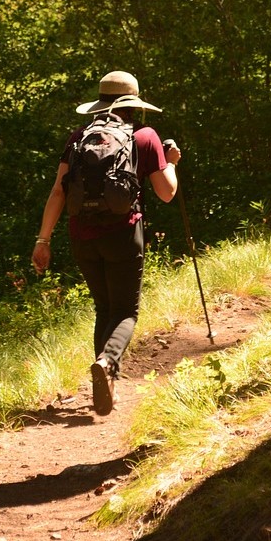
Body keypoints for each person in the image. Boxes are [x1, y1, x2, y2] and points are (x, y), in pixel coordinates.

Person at [31, 71, 181, 415]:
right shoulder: (145, 136)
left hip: (81, 235)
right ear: (133, 105)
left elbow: (58, 191)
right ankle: (108, 362)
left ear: (100, 103)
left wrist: (43, 239)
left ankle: (106, 379)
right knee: (126, 311)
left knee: (104, 307)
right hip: (123, 234)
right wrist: (170, 164)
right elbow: (167, 193)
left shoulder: (79, 136)